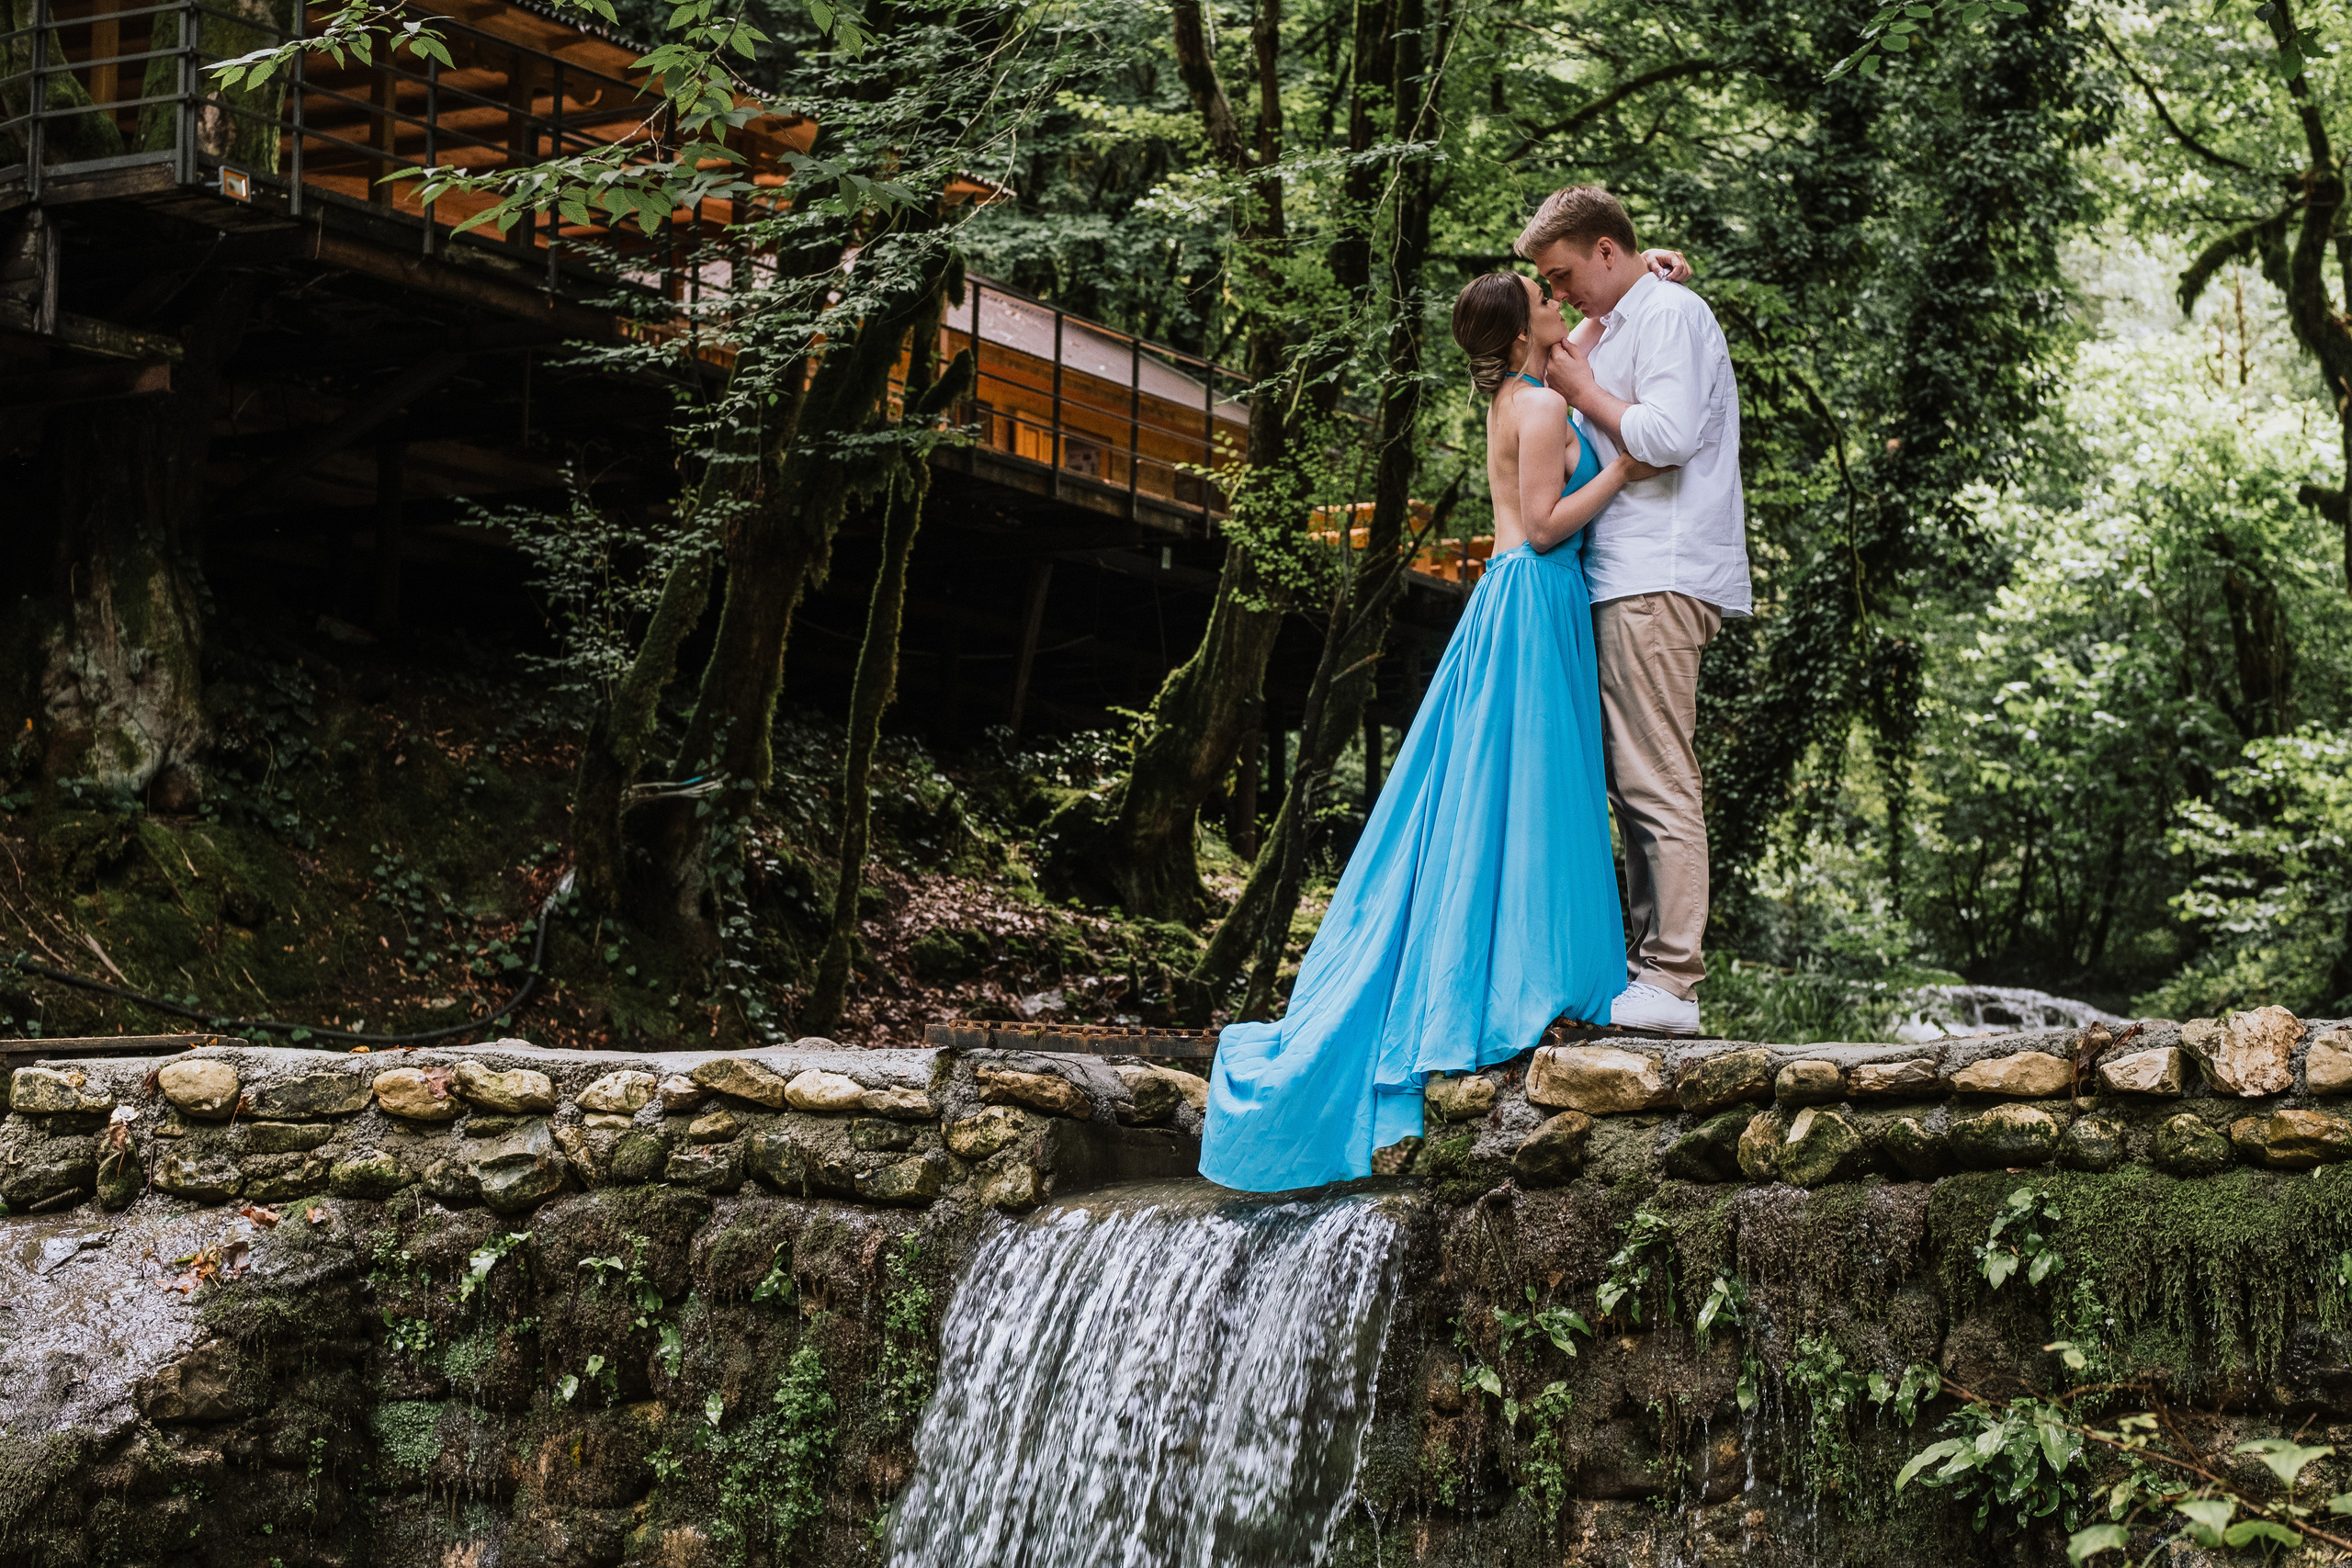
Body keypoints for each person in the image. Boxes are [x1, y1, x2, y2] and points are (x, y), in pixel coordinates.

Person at [1199, 267, 1673, 1193]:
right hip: (1534, 600)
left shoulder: (1525, 385)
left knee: (1510, 793)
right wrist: (1622, 466)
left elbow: (1583, 334)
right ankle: (1521, 984)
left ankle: (1531, 970)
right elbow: (1541, 528)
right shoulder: (1535, 409)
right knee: (1524, 794)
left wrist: (1648, 273)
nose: (1559, 304)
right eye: (1546, 299)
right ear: (1517, 332)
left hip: (1527, 607)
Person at [1520, 186, 1750, 1038]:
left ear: (1607, 251)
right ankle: (1652, 968)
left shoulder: (1672, 316)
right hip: (1626, 574)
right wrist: (1585, 358)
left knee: (1657, 776)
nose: (1562, 290)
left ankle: (1673, 977)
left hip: (1661, 573)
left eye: (1566, 274)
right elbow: (1549, 356)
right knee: (1635, 778)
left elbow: (1667, 435)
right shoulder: (1627, 316)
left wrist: (1583, 394)